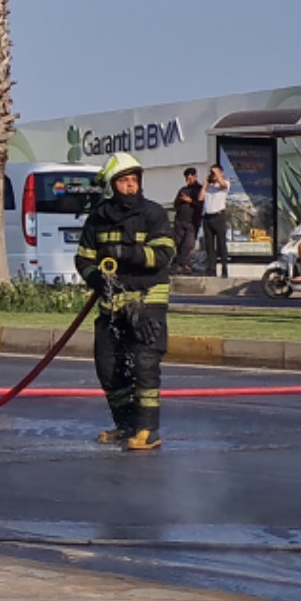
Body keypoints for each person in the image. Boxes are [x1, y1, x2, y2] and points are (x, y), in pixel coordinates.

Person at [74, 152, 178, 451]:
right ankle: (126, 425)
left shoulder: (153, 214)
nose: (131, 187)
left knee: (145, 364)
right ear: (111, 186)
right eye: (124, 182)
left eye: (134, 181)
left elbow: (163, 254)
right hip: (111, 305)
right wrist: (96, 279)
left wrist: (126, 253)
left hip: (147, 303)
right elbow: (84, 258)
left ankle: (148, 430)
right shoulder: (97, 219)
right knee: (109, 367)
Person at [200, 164, 231, 277]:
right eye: (212, 173)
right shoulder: (208, 186)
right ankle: (211, 268)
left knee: (221, 243)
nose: (213, 175)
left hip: (218, 216)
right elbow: (200, 198)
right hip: (207, 216)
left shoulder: (225, 184)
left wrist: (217, 173)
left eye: (215, 173)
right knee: (209, 245)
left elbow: (223, 185)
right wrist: (205, 185)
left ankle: (224, 268)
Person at [171, 167, 203, 272]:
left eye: (190, 178)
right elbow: (175, 205)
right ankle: (185, 265)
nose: (188, 181)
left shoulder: (200, 189)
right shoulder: (183, 190)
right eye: (187, 179)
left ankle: (178, 262)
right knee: (179, 243)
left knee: (188, 244)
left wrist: (190, 201)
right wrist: (180, 201)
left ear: (195, 177)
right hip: (180, 220)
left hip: (192, 221)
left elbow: (201, 205)